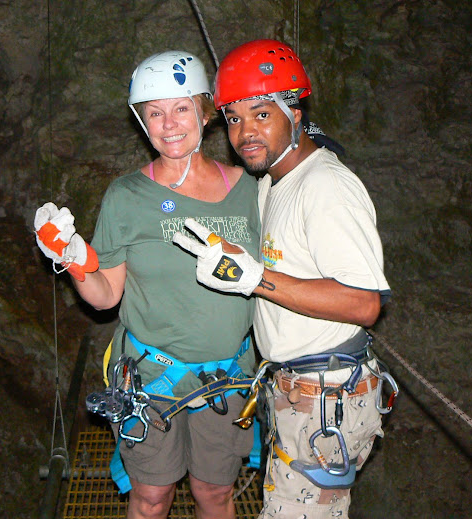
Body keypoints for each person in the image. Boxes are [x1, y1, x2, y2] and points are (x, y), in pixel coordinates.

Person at [34, 50, 261, 519]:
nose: (169, 123)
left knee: (214, 493)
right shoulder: (126, 196)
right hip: (152, 378)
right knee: (152, 497)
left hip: (227, 378)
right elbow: (106, 295)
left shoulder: (250, 190)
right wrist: (75, 259)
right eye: (154, 112)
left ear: (204, 110)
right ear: (142, 122)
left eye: (180, 107)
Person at [173, 39, 395, 519]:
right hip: (298, 392)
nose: (245, 132)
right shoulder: (273, 182)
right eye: (234, 119)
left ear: (294, 114)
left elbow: (364, 303)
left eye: (261, 114)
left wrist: (256, 279)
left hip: (325, 400)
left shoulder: (326, 187)